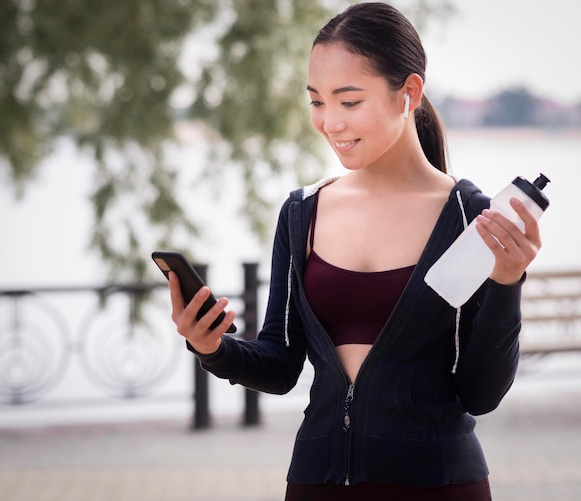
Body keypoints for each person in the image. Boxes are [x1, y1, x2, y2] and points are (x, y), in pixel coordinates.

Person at [167, 2, 542, 500]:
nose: (329, 123)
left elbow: (481, 392)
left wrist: (506, 282)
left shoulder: (470, 217)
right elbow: (280, 365)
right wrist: (212, 347)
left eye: (348, 101)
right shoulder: (301, 213)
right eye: (317, 102)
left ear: (408, 93)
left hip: (438, 482)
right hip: (316, 482)